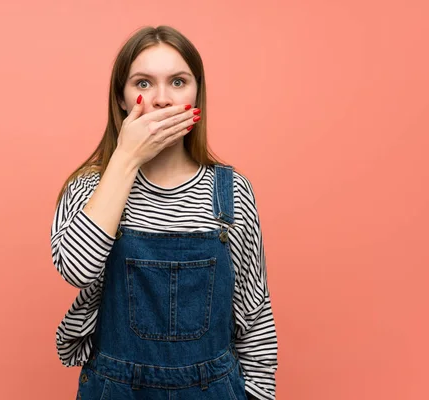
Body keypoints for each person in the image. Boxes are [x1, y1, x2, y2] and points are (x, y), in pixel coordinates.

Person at [51, 25, 278, 400]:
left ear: (196, 93)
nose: (160, 99)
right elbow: (76, 270)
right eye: (142, 83)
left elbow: (254, 316)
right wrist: (126, 157)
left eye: (177, 82)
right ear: (121, 99)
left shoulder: (232, 191)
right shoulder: (90, 187)